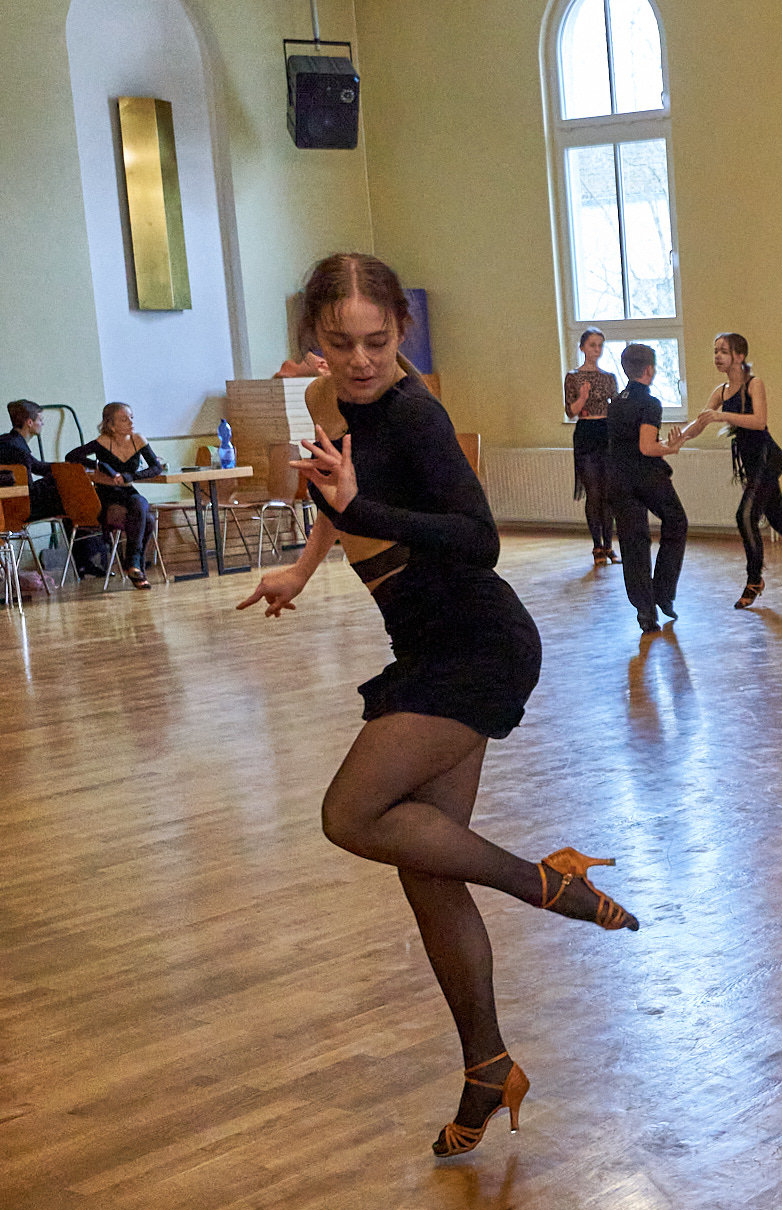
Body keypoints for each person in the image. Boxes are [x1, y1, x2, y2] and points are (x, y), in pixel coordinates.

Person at [237, 252, 639, 1160]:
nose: (360, 360)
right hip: (424, 644)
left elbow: (478, 539)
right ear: (314, 338)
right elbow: (337, 490)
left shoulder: (417, 414)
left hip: (477, 644)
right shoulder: (323, 401)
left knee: (351, 814)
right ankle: (488, 1066)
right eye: (341, 342)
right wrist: (302, 566)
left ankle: (541, 882)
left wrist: (364, 506)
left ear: (400, 333)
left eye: (377, 342)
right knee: (426, 869)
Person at [679, 332, 782, 609]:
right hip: (752, 463)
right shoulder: (720, 391)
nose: (717, 356)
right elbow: (701, 422)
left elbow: (759, 421)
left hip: (767, 458)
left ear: (739, 356)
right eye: (715, 351)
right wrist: (678, 439)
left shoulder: (754, 384)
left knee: (745, 516)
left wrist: (721, 416)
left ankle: (754, 581)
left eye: (724, 351)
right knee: (781, 522)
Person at [607, 342, 690, 633]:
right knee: (676, 521)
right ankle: (663, 593)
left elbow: (626, 444)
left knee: (633, 542)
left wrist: (662, 445)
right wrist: (672, 447)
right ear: (650, 369)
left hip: (618, 478)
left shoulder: (615, 402)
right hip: (647, 477)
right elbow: (646, 447)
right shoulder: (650, 403)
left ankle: (644, 611)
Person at [65, 402, 165, 588]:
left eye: (131, 418)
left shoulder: (138, 440)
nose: (131, 422)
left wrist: (132, 476)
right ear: (111, 425)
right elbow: (71, 456)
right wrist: (99, 465)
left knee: (141, 503)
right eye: (124, 419)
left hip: (127, 491)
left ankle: (133, 564)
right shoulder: (103, 442)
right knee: (148, 519)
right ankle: (135, 566)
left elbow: (156, 467)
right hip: (106, 494)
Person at [564, 328, 618, 566]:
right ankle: (597, 546)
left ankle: (609, 545)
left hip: (606, 432)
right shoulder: (573, 377)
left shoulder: (608, 377)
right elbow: (571, 411)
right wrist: (583, 398)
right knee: (593, 493)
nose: (597, 349)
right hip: (586, 433)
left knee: (607, 493)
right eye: (592, 345)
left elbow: (615, 407)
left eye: (600, 345)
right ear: (582, 347)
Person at [1, 400, 66, 523]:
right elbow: (29, 490)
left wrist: (67, 469)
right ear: (30, 423)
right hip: (20, 507)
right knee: (69, 497)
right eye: (40, 419)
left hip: (5, 504)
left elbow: (37, 466)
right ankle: (82, 534)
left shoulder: (8, 442)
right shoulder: (18, 451)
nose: (42, 424)